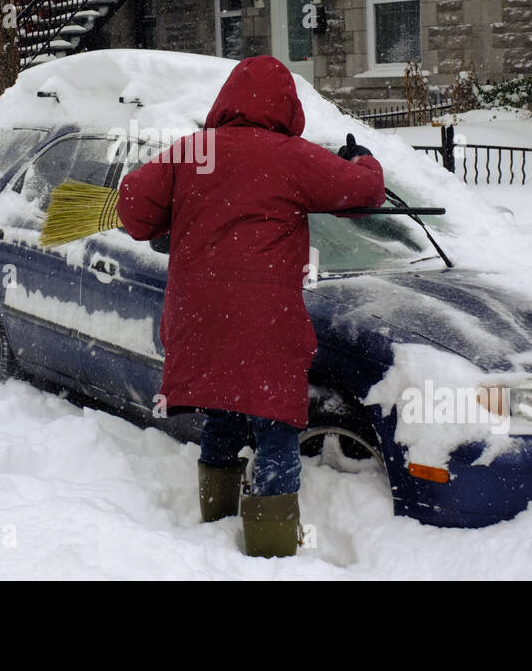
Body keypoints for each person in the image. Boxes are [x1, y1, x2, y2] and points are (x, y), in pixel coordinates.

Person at [116, 56, 385, 557]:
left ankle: (213, 526)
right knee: (275, 427)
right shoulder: (289, 155)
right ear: (286, 106)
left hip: (198, 317)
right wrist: (361, 160)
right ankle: (272, 552)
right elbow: (365, 193)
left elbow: (132, 205)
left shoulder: (194, 152)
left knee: (221, 415)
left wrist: (171, 219)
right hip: (264, 323)